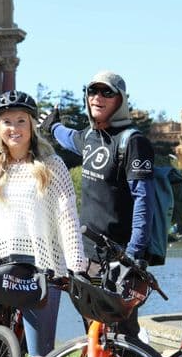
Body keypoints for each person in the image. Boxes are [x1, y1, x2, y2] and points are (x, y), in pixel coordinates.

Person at [0, 90, 87, 357]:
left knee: (42, 356)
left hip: (41, 267)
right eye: (7, 122)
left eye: (21, 121)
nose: (14, 128)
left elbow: (67, 217)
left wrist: (76, 264)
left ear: (32, 125)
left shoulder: (51, 165)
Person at [41, 71, 155, 337]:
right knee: (93, 332)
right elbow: (68, 137)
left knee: (123, 341)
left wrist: (133, 255)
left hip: (120, 257)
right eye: (93, 91)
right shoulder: (89, 136)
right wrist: (53, 126)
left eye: (107, 92)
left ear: (121, 100)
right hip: (87, 255)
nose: (98, 98)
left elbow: (143, 201)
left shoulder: (133, 141)